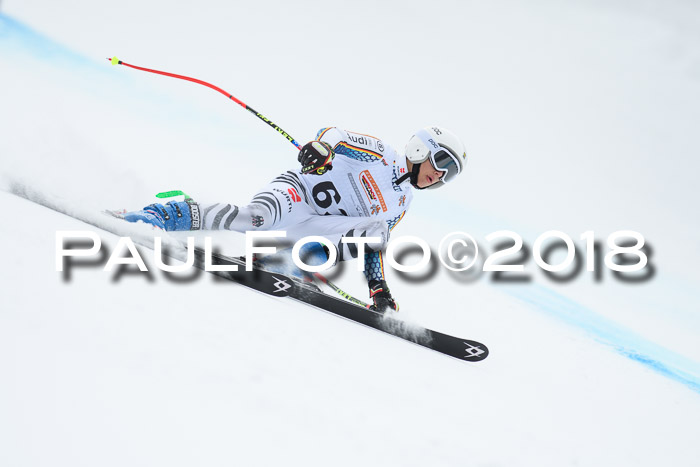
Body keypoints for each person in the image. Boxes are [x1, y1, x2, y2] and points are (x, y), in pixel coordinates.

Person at [122, 126, 467, 312]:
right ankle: (161, 214)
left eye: (448, 174)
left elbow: (373, 242)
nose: (439, 176)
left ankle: (279, 262)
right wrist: (321, 149)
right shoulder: (380, 154)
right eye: (441, 162)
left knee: (376, 231)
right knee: (255, 219)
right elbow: (336, 135)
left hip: (313, 227)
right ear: (421, 149)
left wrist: (378, 287)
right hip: (297, 193)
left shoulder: (402, 203)